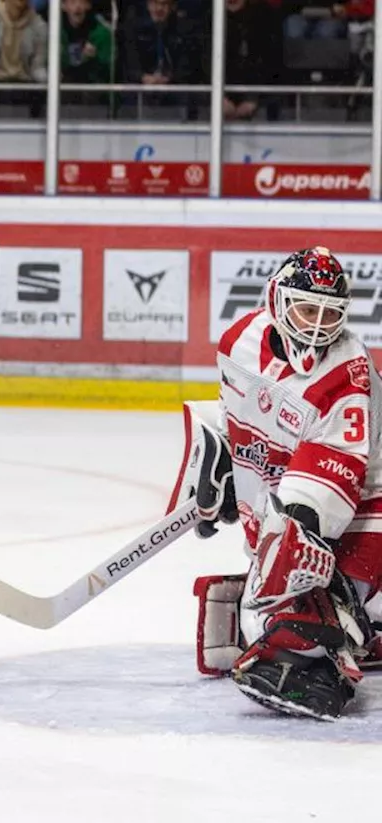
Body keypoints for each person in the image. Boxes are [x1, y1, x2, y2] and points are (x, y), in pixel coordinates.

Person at [172, 247, 382, 720]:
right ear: (278, 301)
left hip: (370, 499)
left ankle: (320, 648)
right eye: (308, 309)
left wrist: (294, 535)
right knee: (288, 562)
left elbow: (338, 469)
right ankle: (336, 619)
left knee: (308, 563)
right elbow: (241, 421)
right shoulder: (239, 340)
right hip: (297, 483)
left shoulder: (346, 371)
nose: (317, 325)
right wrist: (220, 461)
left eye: (331, 314)